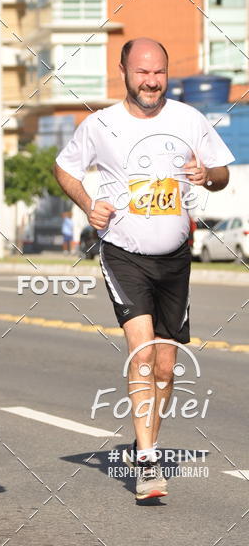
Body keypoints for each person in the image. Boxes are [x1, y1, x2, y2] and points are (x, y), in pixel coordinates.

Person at [55, 38, 234, 502]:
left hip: (175, 259)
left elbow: (222, 173)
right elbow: (65, 170)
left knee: (168, 368)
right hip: (124, 252)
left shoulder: (189, 119)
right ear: (124, 72)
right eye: (142, 72)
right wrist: (89, 203)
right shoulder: (101, 125)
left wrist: (205, 176)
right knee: (143, 352)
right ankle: (150, 463)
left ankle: (144, 441)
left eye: (159, 72)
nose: (151, 81)